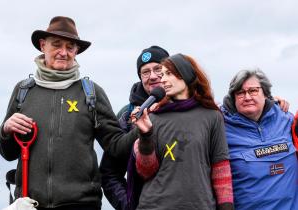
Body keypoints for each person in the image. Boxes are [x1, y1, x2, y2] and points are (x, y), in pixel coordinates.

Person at [0, 16, 138, 210]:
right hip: (29, 205)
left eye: (70, 47)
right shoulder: (23, 91)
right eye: (56, 45)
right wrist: (6, 130)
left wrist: (141, 131)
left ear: (76, 51)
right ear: (42, 45)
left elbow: (116, 146)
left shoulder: (91, 92)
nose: (63, 52)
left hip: (81, 204)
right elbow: (8, 153)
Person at [131, 54, 234, 210]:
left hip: (200, 205)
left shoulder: (212, 116)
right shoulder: (154, 117)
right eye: (162, 74)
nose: (163, 79)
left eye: (168, 74)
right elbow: (146, 172)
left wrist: (226, 207)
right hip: (155, 205)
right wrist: (146, 136)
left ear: (185, 75)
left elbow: (221, 169)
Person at [99, 46, 169, 210]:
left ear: (170, 71)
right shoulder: (127, 115)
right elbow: (109, 174)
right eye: (145, 72)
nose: (152, 76)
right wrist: (130, 205)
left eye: (158, 69)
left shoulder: (190, 107)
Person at [221, 69, 298, 210]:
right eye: (240, 93)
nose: (247, 97)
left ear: (266, 93)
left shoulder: (286, 119)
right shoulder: (220, 126)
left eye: (253, 91)